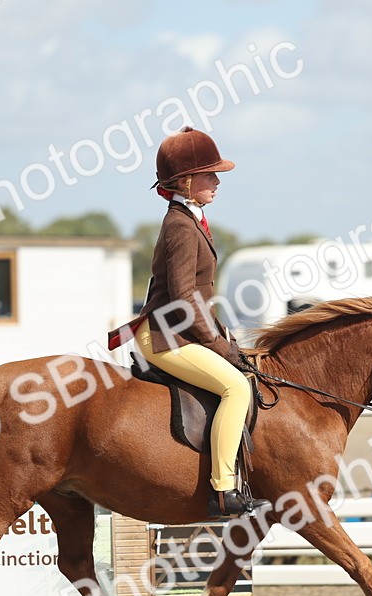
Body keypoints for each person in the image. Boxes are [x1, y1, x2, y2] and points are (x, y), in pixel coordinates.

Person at [113, 127, 263, 518]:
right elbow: (182, 299)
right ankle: (223, 489)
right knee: (235, 388)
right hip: (166, 337)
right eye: (210, 174)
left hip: (179, 331)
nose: (216, 181)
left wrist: (223, 335)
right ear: (184, 181)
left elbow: (197, 296)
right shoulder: (180, 225)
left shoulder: (190, 219)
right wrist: (217, 345)